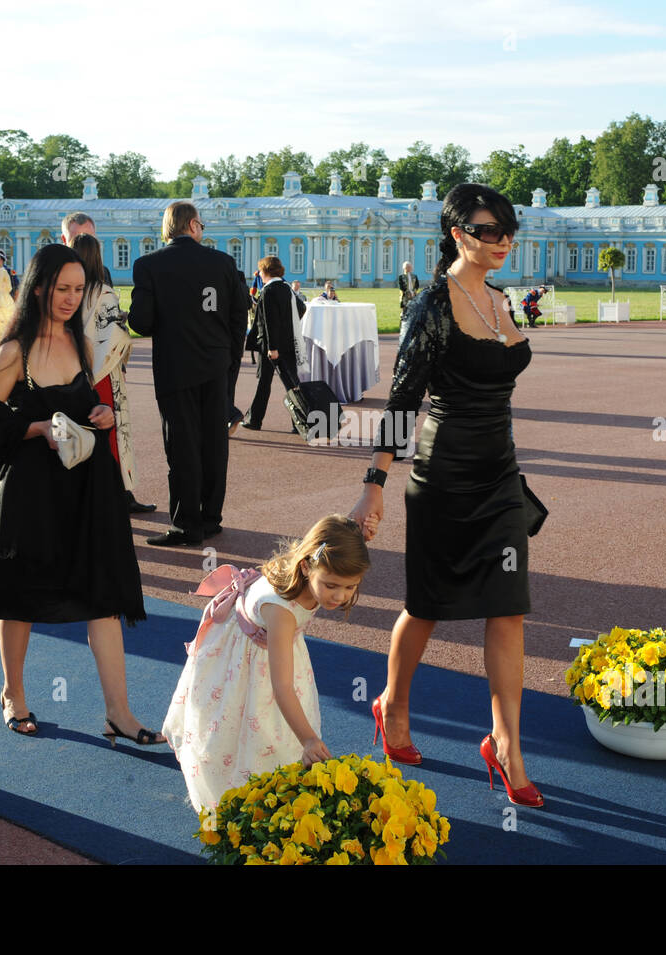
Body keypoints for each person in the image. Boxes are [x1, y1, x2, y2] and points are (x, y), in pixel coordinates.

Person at [349, 183, 544, 808]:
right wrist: (374, 487)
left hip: (500, 476)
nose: (504, 241)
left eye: (509, 231)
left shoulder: (499, 297)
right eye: (492, 232)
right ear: (459, 234)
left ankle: (506, 744)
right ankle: (393, 705)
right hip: (442, 478)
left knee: (508, 606)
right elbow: (403, 400)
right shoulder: (432, 303)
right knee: (428, 605)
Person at [0, 244, 157, 743]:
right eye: (62, 289)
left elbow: (91, 407)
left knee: (104, 597)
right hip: (32, 492)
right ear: (40, 287)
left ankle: (120, 713)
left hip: (89, 489)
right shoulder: (14, 352)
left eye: (78, 290)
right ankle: (15, 695)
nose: (71, 299)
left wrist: (103, 417)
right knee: (20, 595)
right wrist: (37, 429)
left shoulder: (82, 344)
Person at [162, 514, 371, 813]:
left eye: (351, 587)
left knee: (271, 729)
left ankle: (274, 787)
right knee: (248, 727)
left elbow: (336, 534)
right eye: (332, 585)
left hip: (271, 648)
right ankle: (239, 799)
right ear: (305, 566)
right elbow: (282, 685)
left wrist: (361, 529)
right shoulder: (281, 611)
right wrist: (309, 739)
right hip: (247, 659)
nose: (340, 596)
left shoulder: (317, 566)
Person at [127, 201, 249, 546]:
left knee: (181, 448)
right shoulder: (223, 263)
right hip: (216, 366)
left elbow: (141, 322)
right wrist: (229, 362)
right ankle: (211, 518)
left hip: (175, 368)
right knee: (214, 445)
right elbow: (239, 318)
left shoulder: (148, 265)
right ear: (193, 225)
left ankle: (185, 525)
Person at [72, 233, 154, 515]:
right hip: (103, 372)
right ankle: (117, 492)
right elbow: (115, 337)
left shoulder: (66, 290)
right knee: (112, 432)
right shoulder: (103, 292)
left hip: (71, 370)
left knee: (79, 429)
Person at [242, 256, 304, 432]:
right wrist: (288, 326)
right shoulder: (286, 288)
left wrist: (272, 347)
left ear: (267, 271)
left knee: (264, 383)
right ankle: (299, 422)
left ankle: (255, 419)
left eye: (261, 271)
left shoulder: (269, 291)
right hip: (288, 343)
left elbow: (269, 322)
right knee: (291, 384)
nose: (259, 274)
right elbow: (301, 308)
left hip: (271, 346)